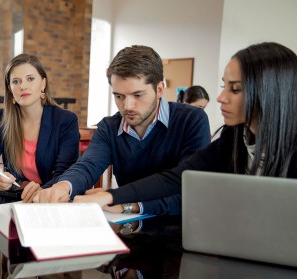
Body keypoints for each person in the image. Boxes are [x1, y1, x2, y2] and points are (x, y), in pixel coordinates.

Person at [73, 42, 297, 209]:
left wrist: (120, 200)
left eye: (235, 89)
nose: (220, 97)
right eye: (224, 86)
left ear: (272, 94)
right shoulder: (233, 138)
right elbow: (178, 177)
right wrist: (112, 196)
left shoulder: (192, 120)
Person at [34, 45, 211, 216]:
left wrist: (130, 206)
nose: (127, 106)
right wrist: (63, 186)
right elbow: (88, 165)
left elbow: (190, 191)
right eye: (119, 96)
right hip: (130, 229)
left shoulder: (191, 120)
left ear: (159, 89)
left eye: (137, 95)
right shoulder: (109, 127)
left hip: (180, 231)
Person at [0, 54, 80, 202]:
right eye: (16, 81)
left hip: (51, 201)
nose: (23, 86)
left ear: (43, 84)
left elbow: (66, 172)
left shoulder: (65, 120)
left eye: (30, 79)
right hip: (15, 201)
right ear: (10, 89)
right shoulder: (2, 119)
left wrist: (42, 190)